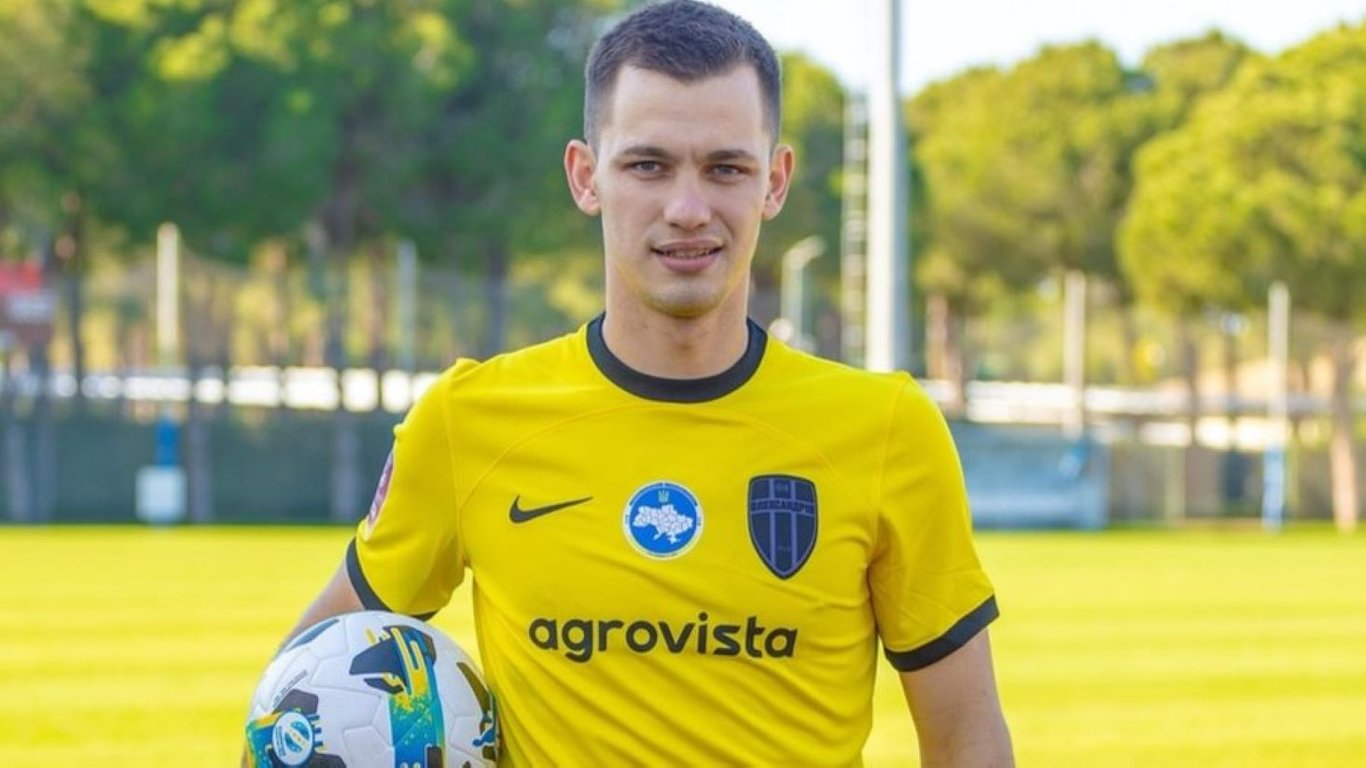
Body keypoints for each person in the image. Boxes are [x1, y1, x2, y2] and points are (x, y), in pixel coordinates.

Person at [261, 1, 1013, 764]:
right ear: (586, 176)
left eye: (726, 168)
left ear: (775, 181)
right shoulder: (466, 420)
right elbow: (308, 684)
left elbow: (966, 737)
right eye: (648, 165)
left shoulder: (887, 430)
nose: (687, 209)